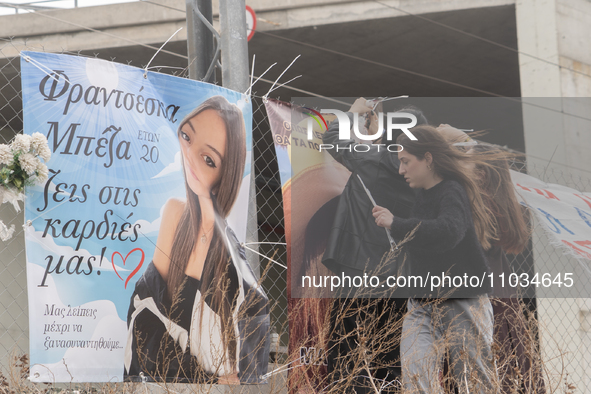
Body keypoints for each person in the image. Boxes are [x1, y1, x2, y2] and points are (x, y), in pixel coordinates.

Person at [124, 95, 270, 384]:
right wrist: (205, 377)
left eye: (209, 159)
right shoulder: (175, 213)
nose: (190, 155)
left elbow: (251, 345)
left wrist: (219, 379)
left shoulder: (228, 253)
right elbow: (146, 316)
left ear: (225, 174)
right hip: (162, 382)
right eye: (187, 136)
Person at [372, 125, 497, 393]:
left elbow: (448, 232)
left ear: (428, 159)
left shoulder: (452, 191)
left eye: (405, 162)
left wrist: (397, 223)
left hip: (462, 298)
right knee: (416, 373)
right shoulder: (423, 197)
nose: (401, 170)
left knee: (473, 382)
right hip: (422, 303)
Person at [320, 98, 428, 392]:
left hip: (358, 270)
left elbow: (332, 139)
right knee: (388, 354)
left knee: (346, 348)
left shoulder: (373, 158)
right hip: (399, 276)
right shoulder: (425, 176)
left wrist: (354, 114)